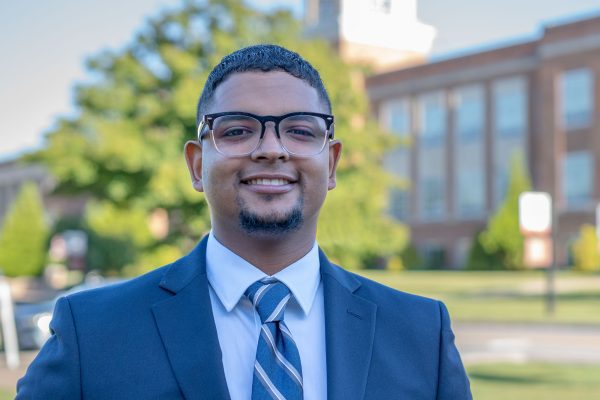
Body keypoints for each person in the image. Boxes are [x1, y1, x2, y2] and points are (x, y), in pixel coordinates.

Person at [17, 44, 472, 399]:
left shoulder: (420, 334)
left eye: (299, 129)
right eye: (236, 130)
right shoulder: (92, 333)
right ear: (197, 165)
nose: (271, 148)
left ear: (331, 164)